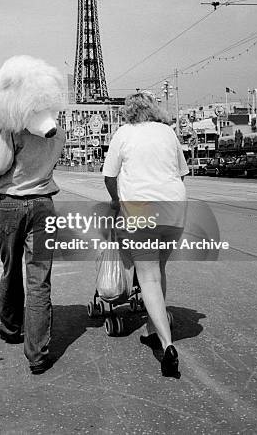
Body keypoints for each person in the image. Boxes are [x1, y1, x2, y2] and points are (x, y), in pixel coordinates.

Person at [102, 91, 189, 378]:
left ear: (129, 112)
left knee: (148, 276)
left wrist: (117, 201)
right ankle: (153, 329)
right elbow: (181, 173)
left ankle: (166, 345)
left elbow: (109, 176)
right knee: (159, 270)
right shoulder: (168, 132)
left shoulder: (124, 133)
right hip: (174, 210)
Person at [0, 126, 65, 374]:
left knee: (11, 270)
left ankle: (11, 328)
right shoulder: (58, 133)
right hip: (44, 205)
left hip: (12, 204)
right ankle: (37, 355)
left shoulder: (12, 129)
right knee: (39, 279)